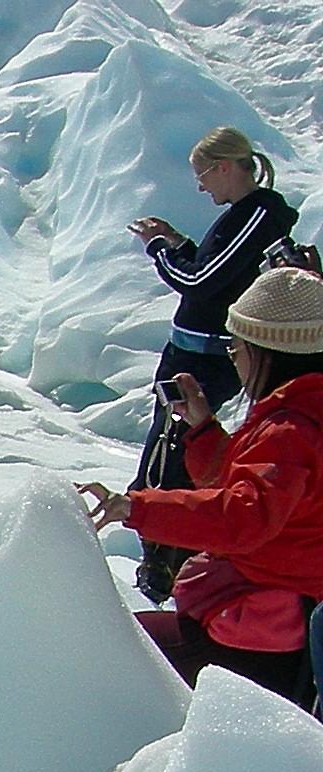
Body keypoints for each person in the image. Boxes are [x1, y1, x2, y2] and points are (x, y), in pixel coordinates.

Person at [81, 265, 323, 709]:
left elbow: (241, 518)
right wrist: (203, 429)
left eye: (237, 345)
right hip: (284, 628)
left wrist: (136, 508)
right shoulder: (303, 414)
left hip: (257, 633)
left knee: (98, 658)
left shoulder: (289, 429)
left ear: (269, 350)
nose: (233, 355)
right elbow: (260, 493)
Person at [126, 127, 301, 603]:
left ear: (226, 167)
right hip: (195, 350)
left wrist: (160, 251)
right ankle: (164, 551)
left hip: (204, 356)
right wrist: (180, 241)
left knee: (172, 451)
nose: (201, 187)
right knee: (169, 446)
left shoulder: (258, 214)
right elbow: (216, 272)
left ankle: (168, 560)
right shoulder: (244, 216)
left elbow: (201, 282)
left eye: (203, 174)